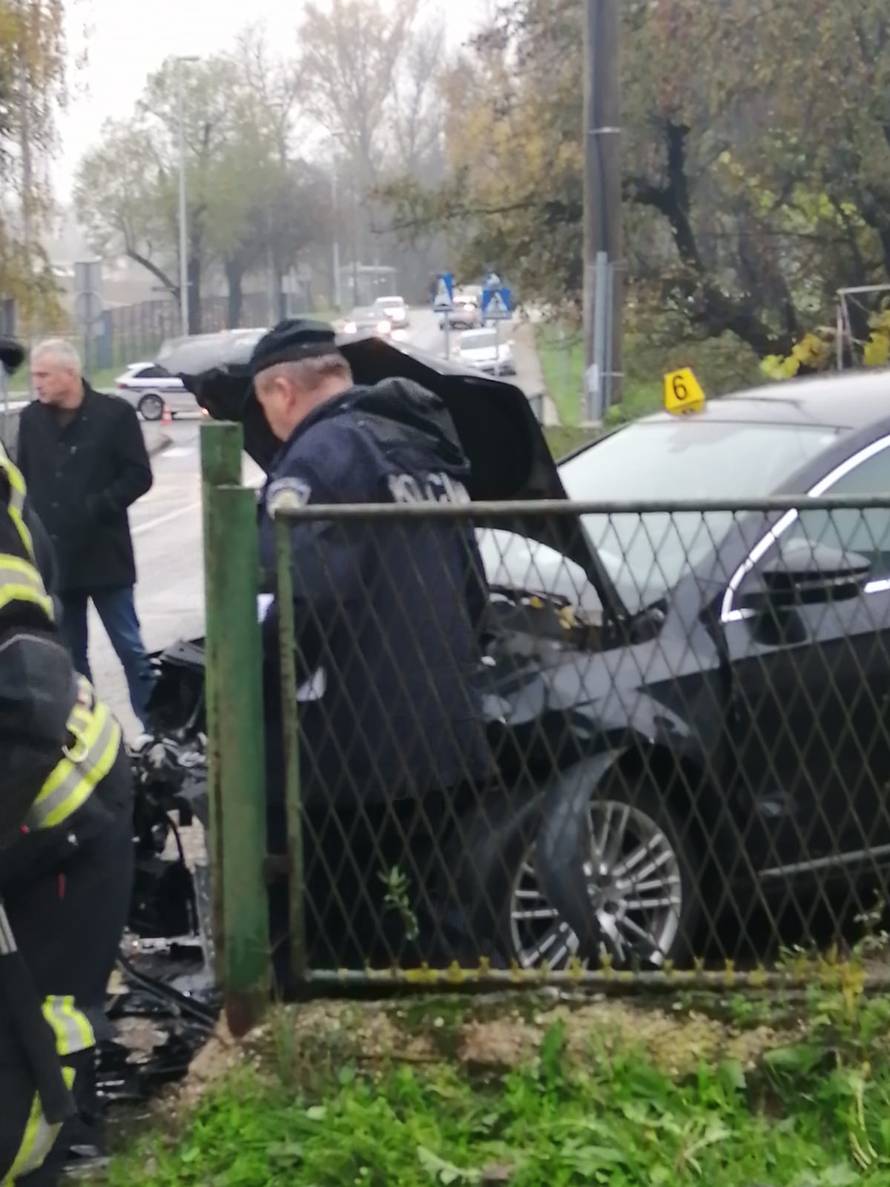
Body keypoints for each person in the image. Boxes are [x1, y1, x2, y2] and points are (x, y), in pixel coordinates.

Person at [250, 318, 494, 970]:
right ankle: (455, 1032)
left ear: (281, 390)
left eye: (262, 402)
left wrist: (257, 688)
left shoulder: (316, 461)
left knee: (331, 922)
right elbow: (475, 593)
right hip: (448, 733)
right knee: (440, 909)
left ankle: (337, 1051)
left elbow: (297, 598)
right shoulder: (422, 450)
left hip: (353, 753)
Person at [0, 339, 134, 1185]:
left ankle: (55, 1141)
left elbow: (29, 686)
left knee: (49, 1007)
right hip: (37, 772)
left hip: (65, 796)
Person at [17, 339, 155, 729]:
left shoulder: (115, 415)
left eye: (43, 375)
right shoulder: (30, 420)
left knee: (130, 648)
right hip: (58, 562)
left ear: (70, 374)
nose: (37, 383)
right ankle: (90, 731)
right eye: (33, 375)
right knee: (70, 656)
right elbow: (22, 478)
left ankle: (156, 727)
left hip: (105, 556)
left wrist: (98, 505)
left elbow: (139, 475)